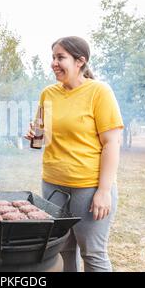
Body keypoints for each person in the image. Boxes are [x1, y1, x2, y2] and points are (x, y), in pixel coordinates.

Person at [25, 36, 124, 272]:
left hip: (88, 188)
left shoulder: (99, 92)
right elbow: (42, 139)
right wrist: (35, 136)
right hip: (53, 185)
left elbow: (112, 142)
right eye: (53, 57)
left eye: (61, 57)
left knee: (93, 253)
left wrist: (103, 191)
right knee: (61, 249)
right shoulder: (48, 93)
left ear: (80, 61)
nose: (54, 63)